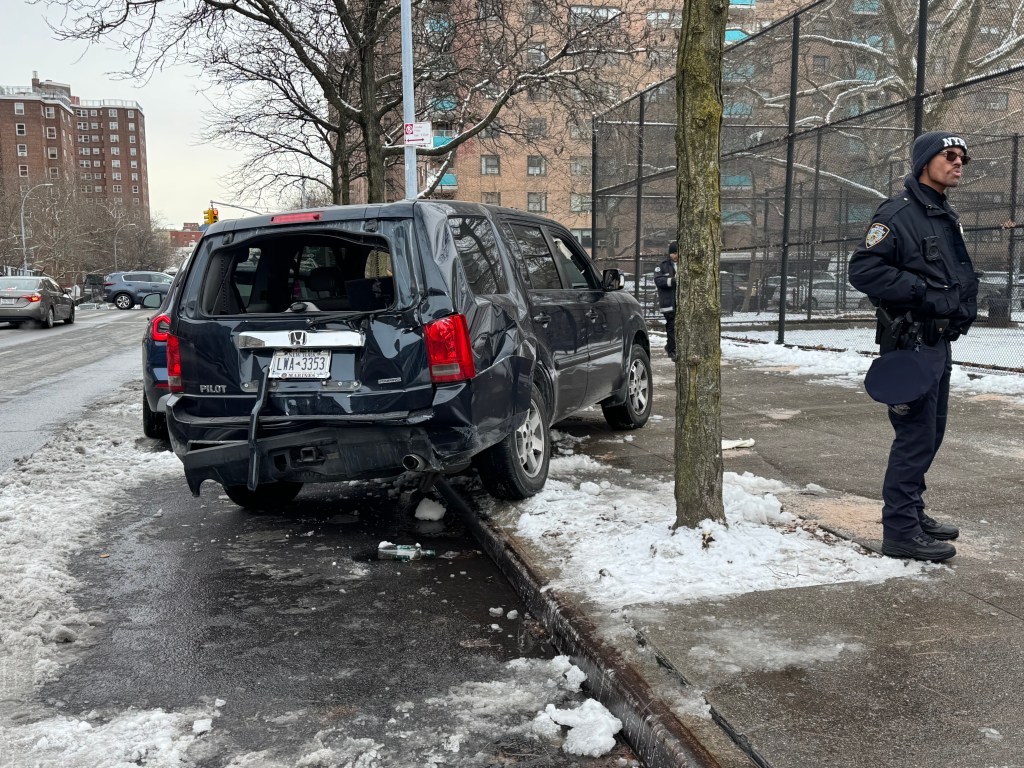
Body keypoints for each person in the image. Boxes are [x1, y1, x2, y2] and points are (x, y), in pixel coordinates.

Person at [849, 131, 979, 562]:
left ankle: (912, 512)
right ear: (925, 161)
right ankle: (900, 532)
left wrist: (958, 309)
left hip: (936, 343)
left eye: (962, 157)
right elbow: (865, 270)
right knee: (914, 437)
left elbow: (955, 273)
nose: (958, 163)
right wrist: (926, 295)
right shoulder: (899, 213)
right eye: (949, 155)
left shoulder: (941, 212)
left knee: (930, 434)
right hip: (909, 344)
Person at [653, 241, 678, 361]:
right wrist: (673, 281)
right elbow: (658, 280)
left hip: (679, 302)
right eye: (673, 253)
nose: (676, 255)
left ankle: (670, 346)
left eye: (677, 252)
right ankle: (672, 350)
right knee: (671, 325)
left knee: (677, 326)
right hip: (668, 302)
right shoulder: (662, 265)